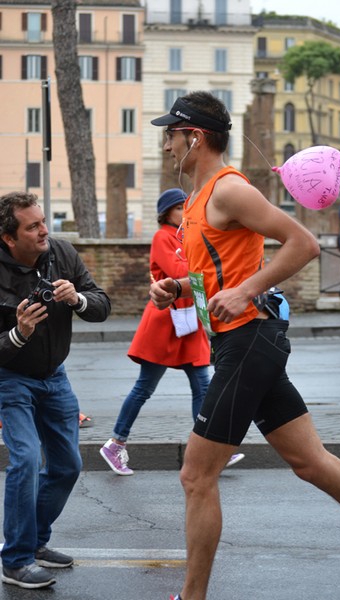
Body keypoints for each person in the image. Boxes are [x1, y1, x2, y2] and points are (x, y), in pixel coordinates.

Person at [149, 91, 340, 600]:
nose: (166, 144)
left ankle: (191, 598)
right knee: (311, 462)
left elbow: (304, 244)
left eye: (171, 134)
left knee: (196, 475)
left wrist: (246, 289)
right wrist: (177, 288)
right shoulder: (197, 200)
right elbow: (213, 271)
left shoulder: (229, 189)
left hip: (249, 340)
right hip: (238, 344)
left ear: (194, 137)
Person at [0, 192, 111, 589]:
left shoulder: (61, 253)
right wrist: (18, 333)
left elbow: (101, 304)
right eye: (33, 226)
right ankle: (14, 561)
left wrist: (77, 299)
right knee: (26, 460)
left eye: (43, 221)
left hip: (54, 375)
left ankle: (34, 543)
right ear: (9, 238)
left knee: (67, 465)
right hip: (10, 377)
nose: (45, 230)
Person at [100, 188, 244, 476]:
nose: (184, 212)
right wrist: (203, 262)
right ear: (167, 212)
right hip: (165, 320)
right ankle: (115, 444)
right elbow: (180, 270)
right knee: (144, 388)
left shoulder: (185, 235)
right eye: (179, 208)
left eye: (186, 207)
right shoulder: (162, 236)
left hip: (189, 321)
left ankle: (210, 451)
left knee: (203, 387)